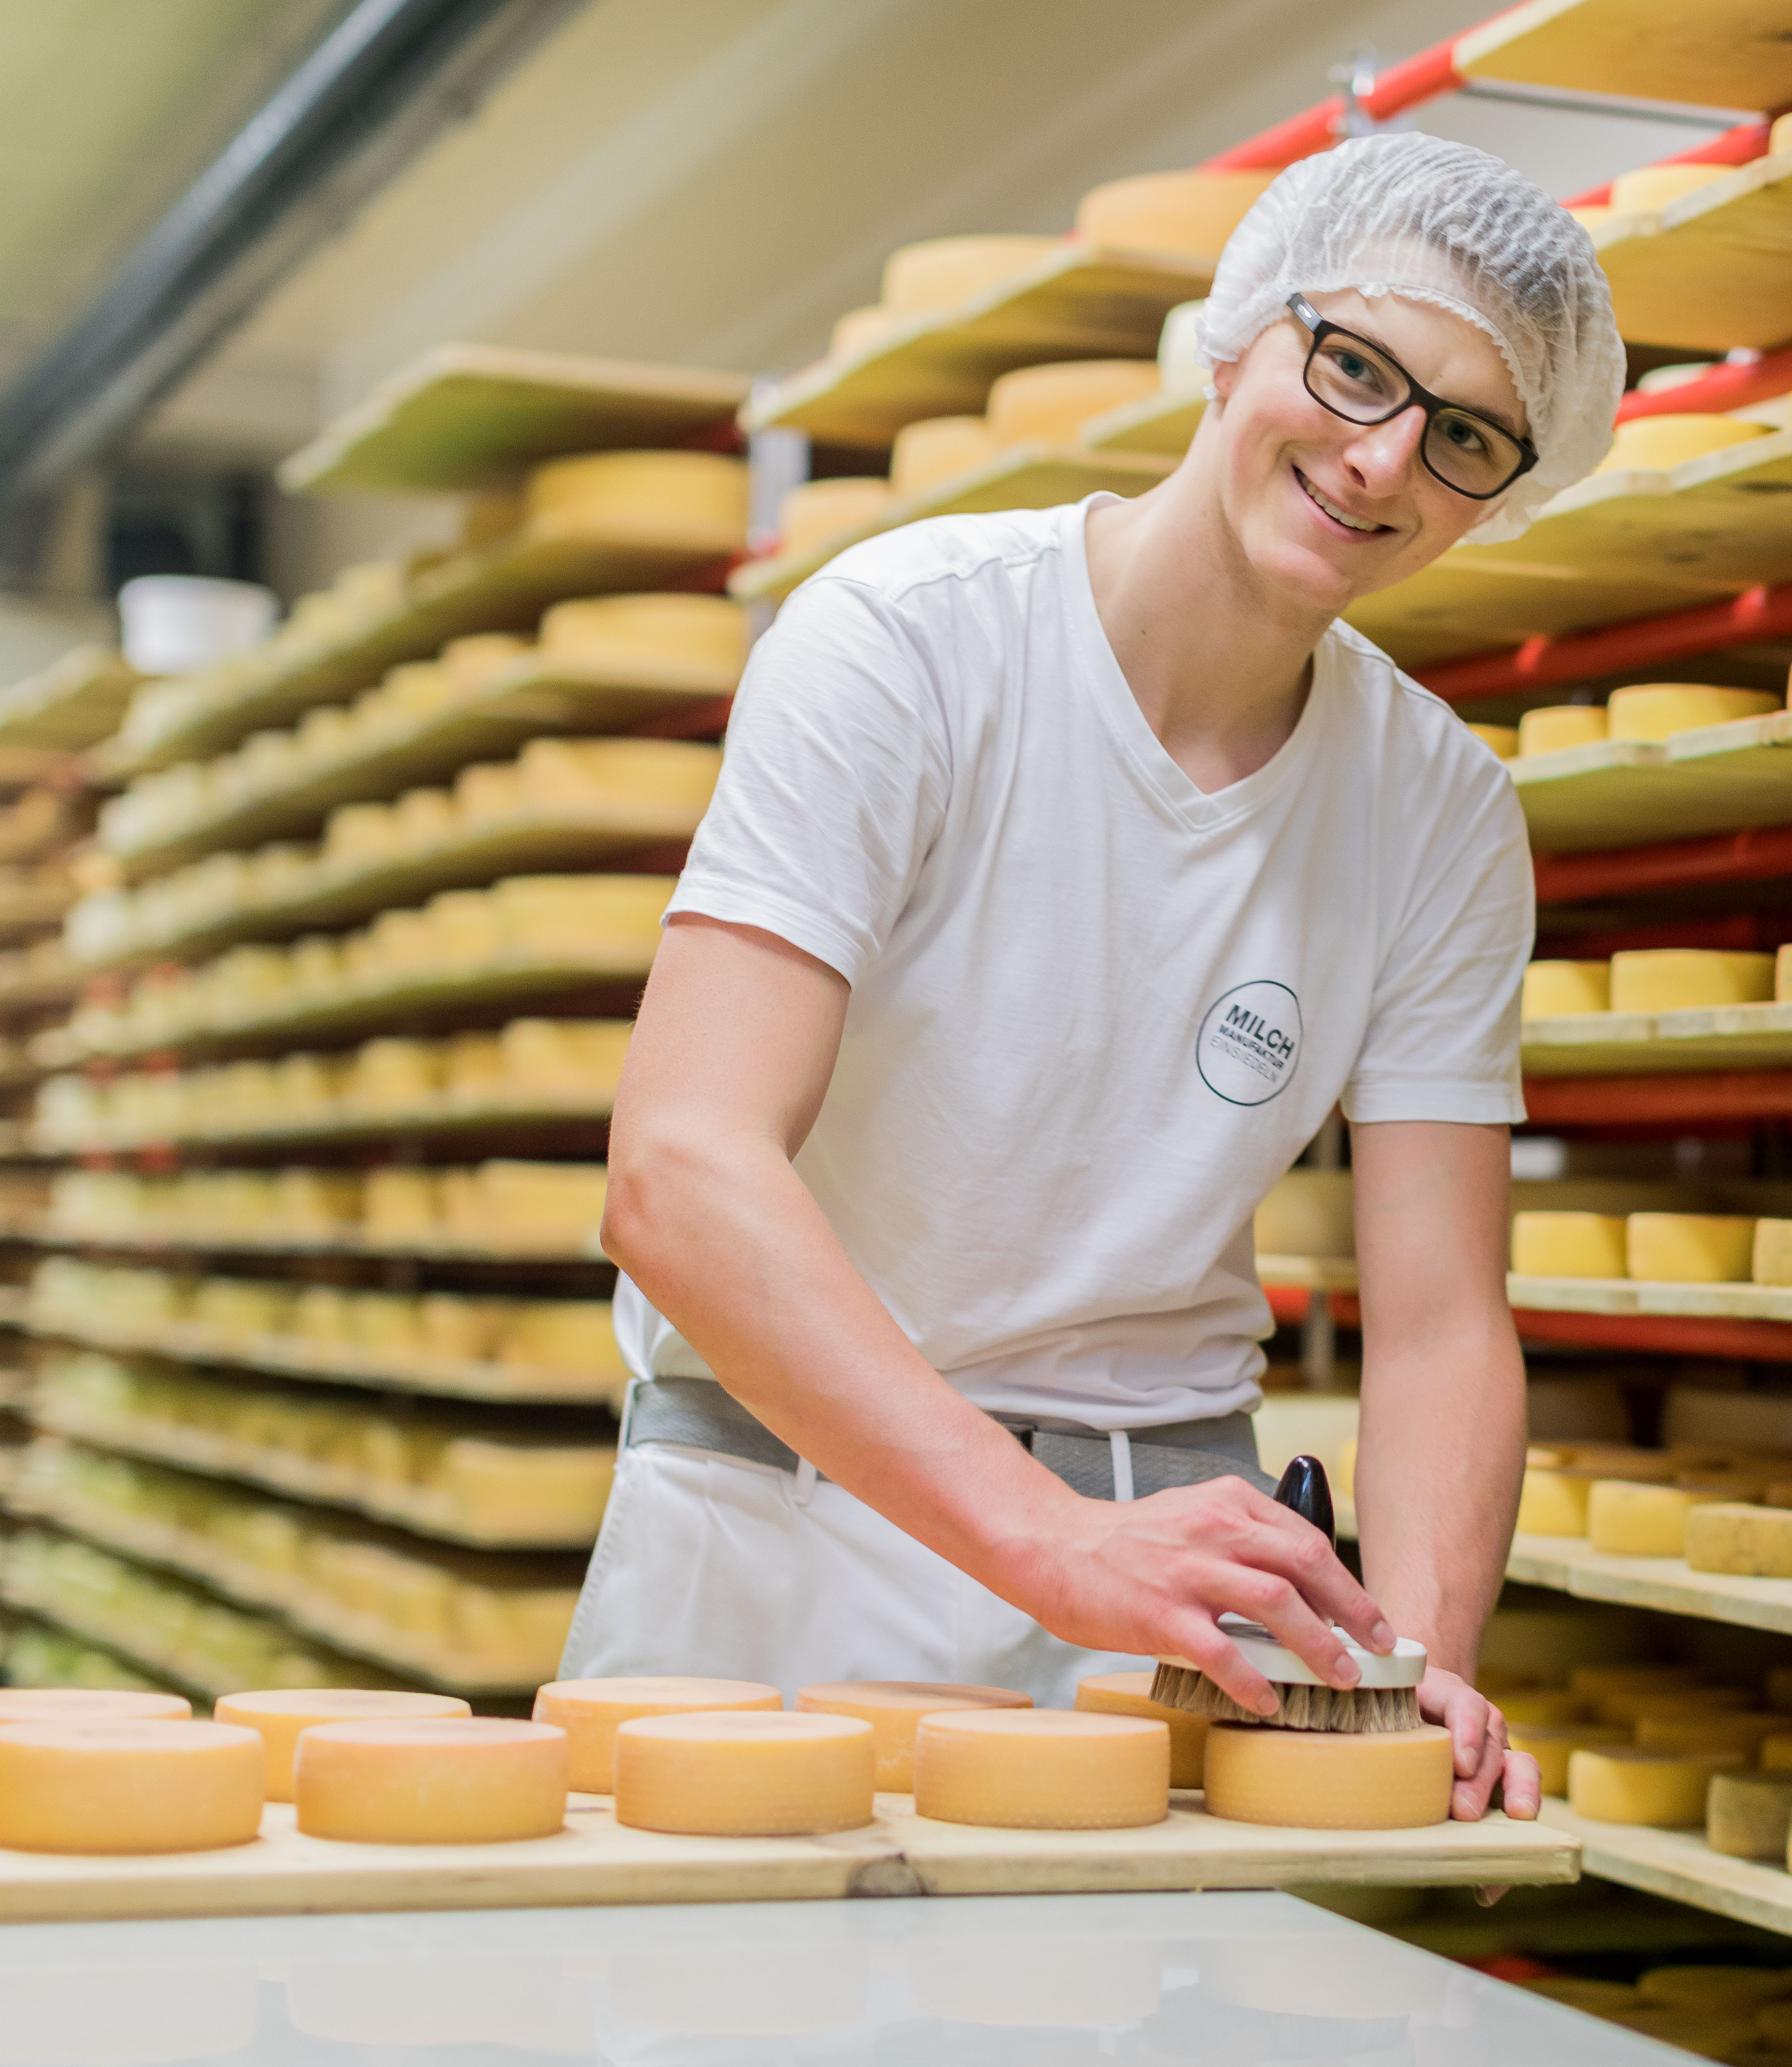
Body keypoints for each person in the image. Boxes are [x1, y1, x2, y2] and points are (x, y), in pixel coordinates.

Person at [563, 133, 1624, 1822]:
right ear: (1236, 337)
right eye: (1353, 366)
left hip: (1175, 1608)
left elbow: (1436, 1327)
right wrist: (1042, 1540)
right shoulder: (907, 645)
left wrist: (1399, 1669)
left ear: (1500, 492)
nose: (1381, 457)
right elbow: (679, 1174)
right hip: (777, 1540)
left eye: (1465, 434)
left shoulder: (1439, 812)